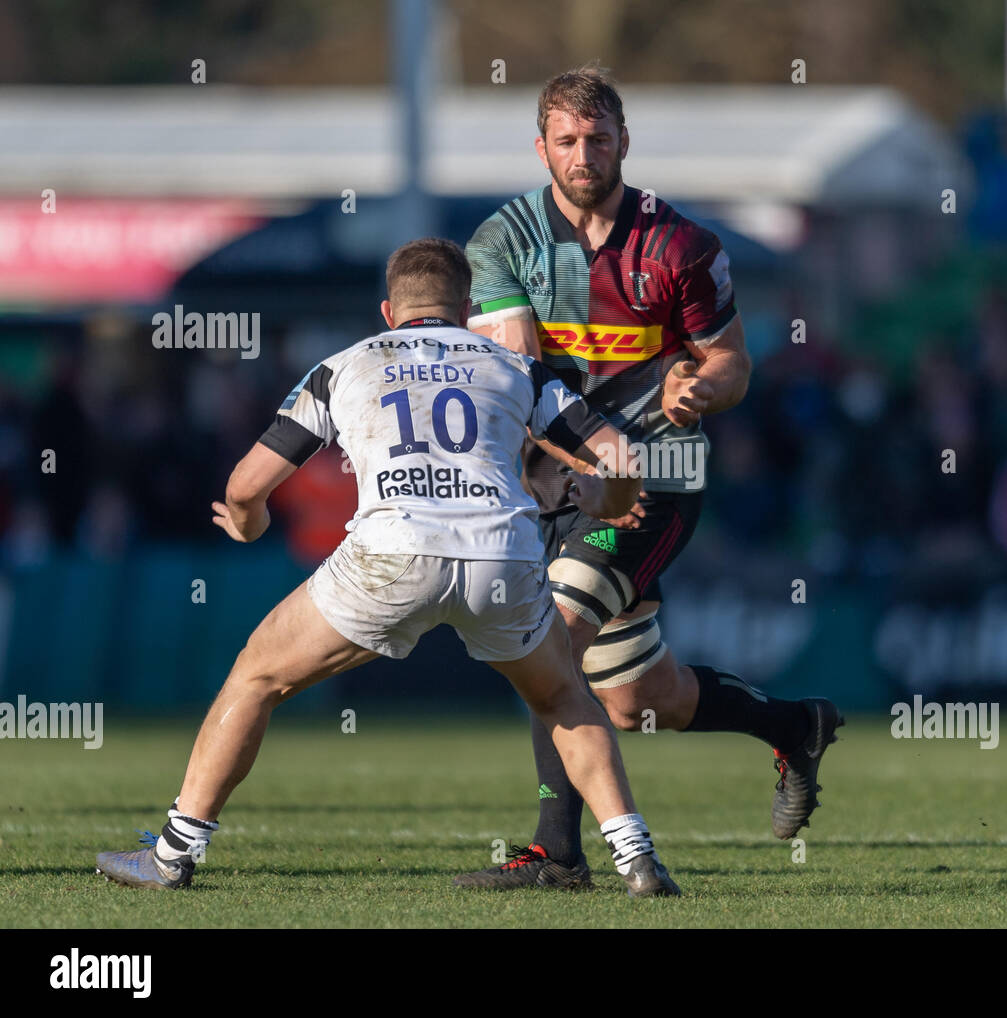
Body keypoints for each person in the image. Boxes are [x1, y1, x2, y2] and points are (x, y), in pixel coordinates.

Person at [95, 237, 680, 898]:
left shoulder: (345, 365)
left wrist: (248, 522)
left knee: (256, 677)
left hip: (393, 552)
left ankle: (172, 855)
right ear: (466, 308)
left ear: (387, 310)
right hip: (502, 553)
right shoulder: (517, 367)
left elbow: (243, 487)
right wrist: (609, 498)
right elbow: (624, 461)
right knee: (564, 698)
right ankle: (638, 861)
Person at [453, 64, 842, 891]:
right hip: (556, 480)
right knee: (638, 700)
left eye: (598, 138)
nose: (583, 154)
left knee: (550, 635)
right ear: (542, 147)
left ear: (625, 141)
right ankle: (794, 727)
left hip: (659, 472)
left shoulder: (682, 246)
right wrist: (583, 459)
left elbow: (732, 361)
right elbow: (519, 379)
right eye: (567, 140)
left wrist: (702, 387)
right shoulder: (502, 243)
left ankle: (556, 853)